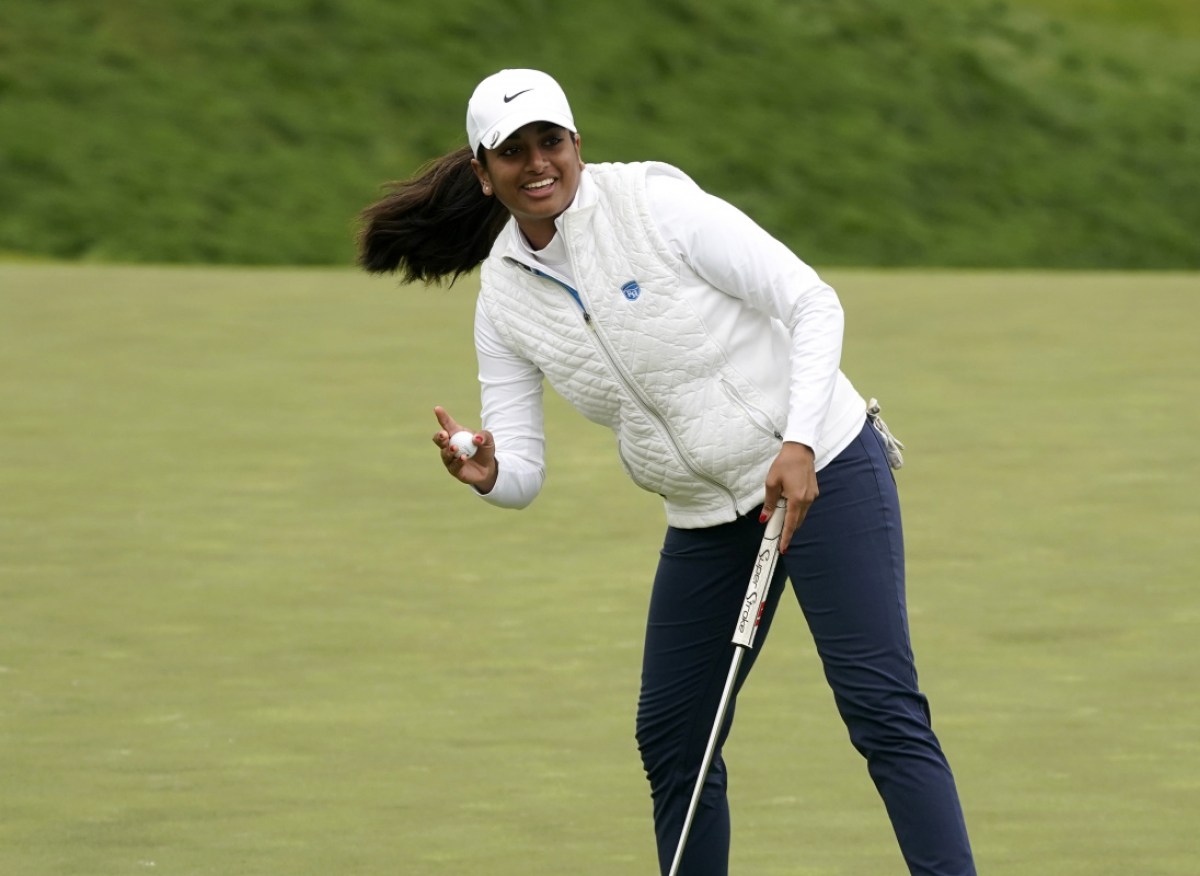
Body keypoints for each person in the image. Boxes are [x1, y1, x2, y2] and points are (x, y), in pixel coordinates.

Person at [357, 68, 976, 876]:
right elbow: (522, 474)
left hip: (822, 466)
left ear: (577, 145)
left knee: (880, 712)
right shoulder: (504, 298)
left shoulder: (654, 205)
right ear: (483, 171)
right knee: (672, 738)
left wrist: (795, 441)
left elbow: (811, 301)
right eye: (513, 152)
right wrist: (487, 471)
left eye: (551, 142)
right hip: (704, 518)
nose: (537, 163)